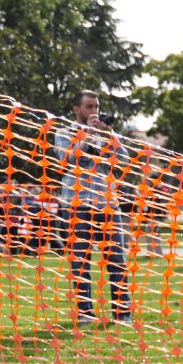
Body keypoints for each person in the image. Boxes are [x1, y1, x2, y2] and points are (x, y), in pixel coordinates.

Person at [54, 90, 130, 324]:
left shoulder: (106, 134)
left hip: (107, 203)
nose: (94, 111)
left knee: (117, 259)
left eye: (96, 106)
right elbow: (65, 158)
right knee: (80, 260)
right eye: (89, 107)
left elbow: (124, 161)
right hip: (78, 204)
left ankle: (122, 314)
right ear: (77, 109)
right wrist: (87, 137)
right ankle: (85, 312)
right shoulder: (64, 132)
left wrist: (110, 136)